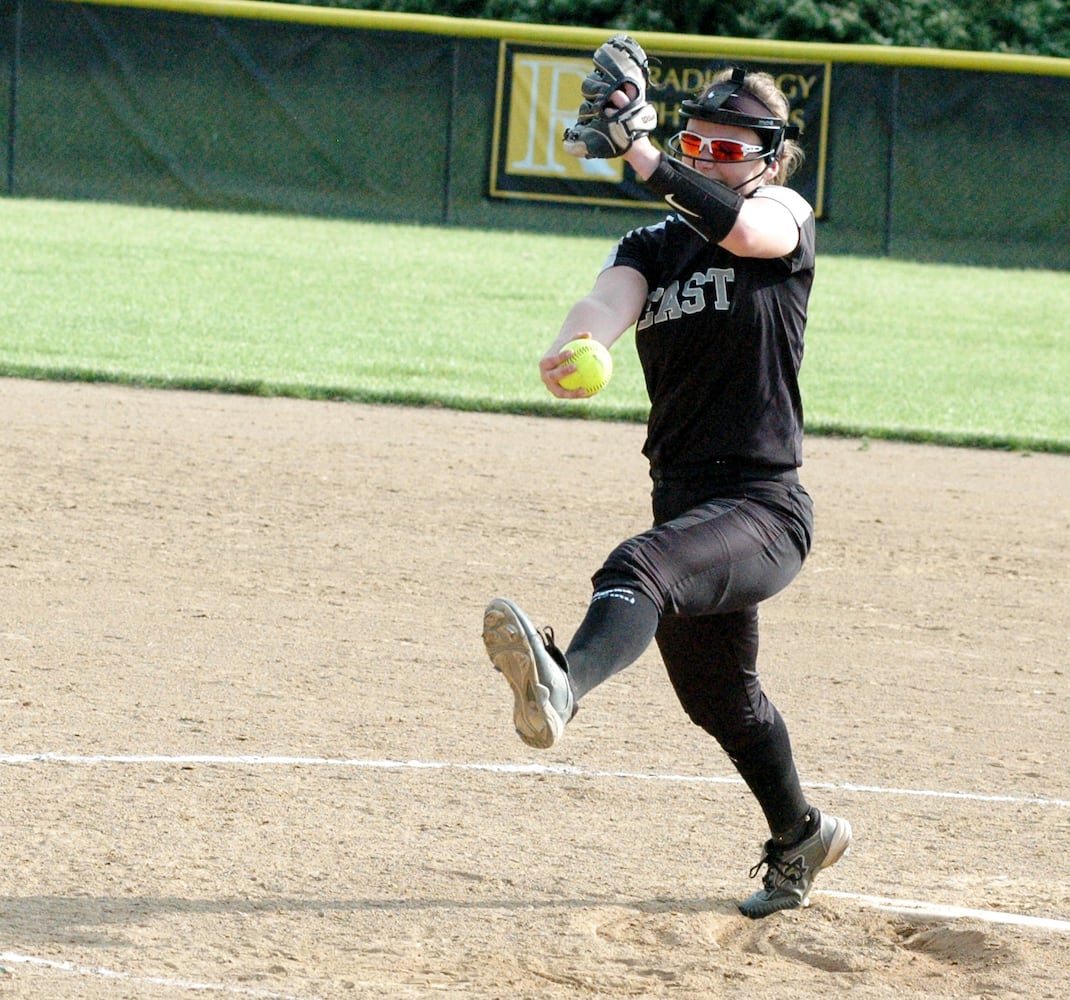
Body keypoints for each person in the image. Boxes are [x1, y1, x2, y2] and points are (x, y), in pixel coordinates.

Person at [481, 35, 851, 919]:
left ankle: (561, 685)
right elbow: (609, 298)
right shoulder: (654, 244)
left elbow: (744, 228)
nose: (715, 163)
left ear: (771, 160)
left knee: (634, 569)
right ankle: (803, 835)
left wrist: (645, 153)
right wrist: (579, 342)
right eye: (701, 146)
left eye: (734, 152)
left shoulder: (786, 219)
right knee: (724, 701)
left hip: (762, 506)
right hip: (687, 501)